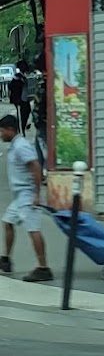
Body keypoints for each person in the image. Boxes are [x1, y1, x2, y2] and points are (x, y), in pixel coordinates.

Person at [0, 114, 53, 282]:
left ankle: (43, 268)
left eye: (2, 131)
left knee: (33, 229)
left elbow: (36, 167)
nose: (0, 135)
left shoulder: (21, 146)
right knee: (8, 222)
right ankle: (6, 260)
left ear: (10, 130)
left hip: (27, 194)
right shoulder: (15, 146)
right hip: (19, 196)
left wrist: (36, 194)